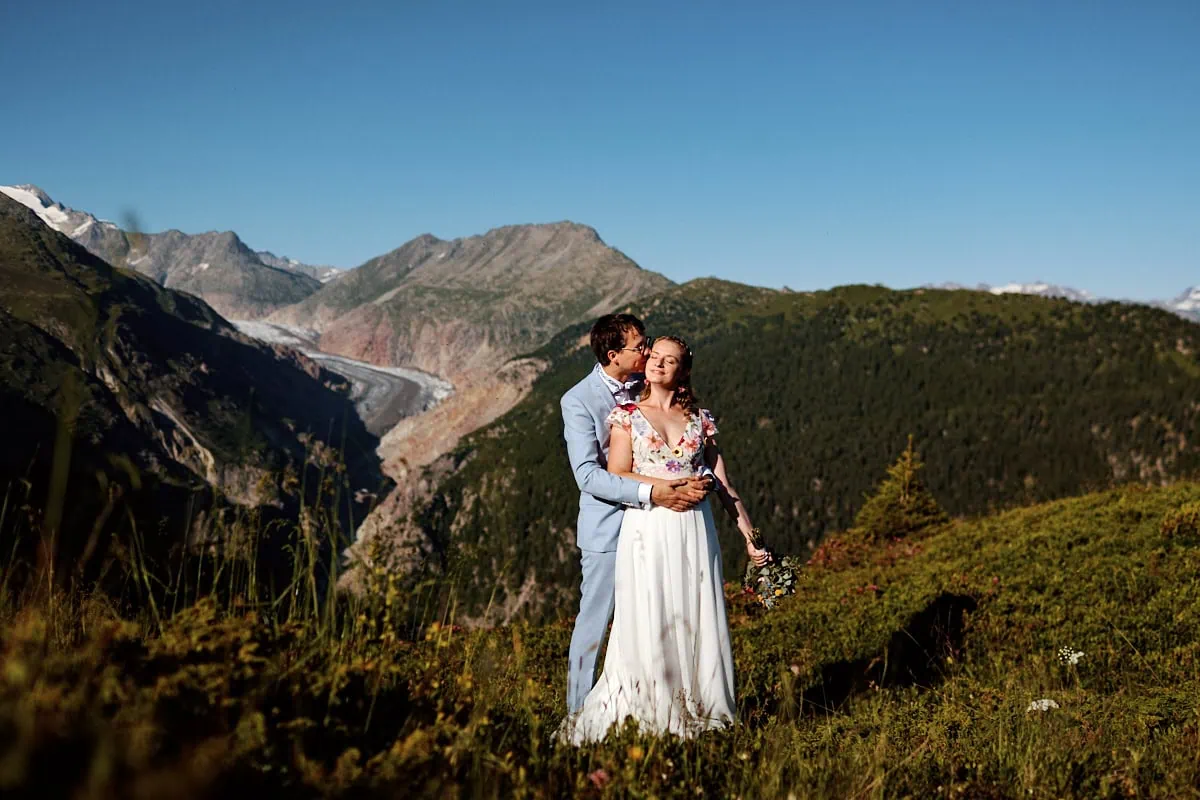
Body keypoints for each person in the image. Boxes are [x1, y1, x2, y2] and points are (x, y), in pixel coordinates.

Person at [561, 335, 770, 743]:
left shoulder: (700, 420)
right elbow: (618, 472)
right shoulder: (626, 416)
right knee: (650, 611)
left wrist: (750, 537)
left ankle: (702, 702)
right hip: (649, 527)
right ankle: (652, 703)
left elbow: (725, 485)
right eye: (653, 356)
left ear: (683, 370)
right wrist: (667, 487)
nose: (656, 363)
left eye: (668, 360)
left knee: (696, 612)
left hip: (695, 529)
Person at [561, 315, 711, 716]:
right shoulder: (579, 400)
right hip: (611, 528)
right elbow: (587, 475)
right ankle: (578, 712)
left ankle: (656, 704)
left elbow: (685, 444)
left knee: (656, 618)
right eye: (640, 346)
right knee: (595, 622)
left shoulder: (652, 384)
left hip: (657, 528)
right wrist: (653, 492)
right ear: (614, 355)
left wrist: (699, 479)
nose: (648, 352)